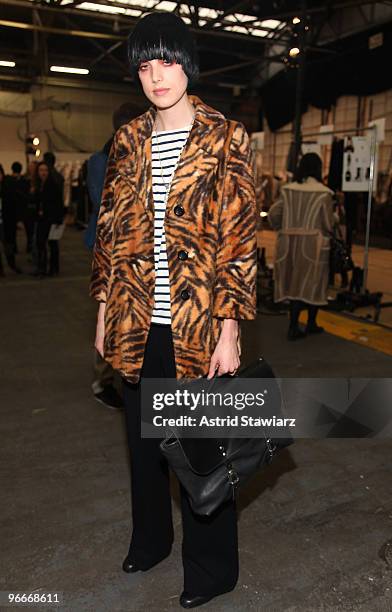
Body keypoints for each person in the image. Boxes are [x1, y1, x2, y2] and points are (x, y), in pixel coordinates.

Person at [90, 12, 257, 609]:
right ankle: (151, 541)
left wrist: (230, 328)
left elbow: (238, 242)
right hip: (138, 323)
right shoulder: (129, 140)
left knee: (201, 452)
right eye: (144, 64)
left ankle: (212, 569)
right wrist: (104, 314)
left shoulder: (226, 137)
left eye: (166, 60)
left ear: (187, 61)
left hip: (198, 326)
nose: (156, 75)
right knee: (143, 445)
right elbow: (109, 233)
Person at [86, 104, 137, 411]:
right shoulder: (99, 161)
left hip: (136, 252)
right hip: (110, 252)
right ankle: (101, 381)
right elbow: (103, 201)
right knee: (109, 317)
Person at [268, 153, 335, 340]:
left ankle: (293, 325)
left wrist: (282, 227)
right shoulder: (325, 193)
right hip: (313, 245)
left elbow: (274, 213)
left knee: (293, 282)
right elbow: (328, 224)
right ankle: (311, 324)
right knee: (313, 282)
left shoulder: (288, 189)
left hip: (288, 243)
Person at [33, 162, 64, 277]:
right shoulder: (38, 185)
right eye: (41, 170)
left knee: (52, 244)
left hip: (51, 219)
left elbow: (59, 203)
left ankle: (53, 268)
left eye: (45, 170)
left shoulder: (53, 185)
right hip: (42, 219)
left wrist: (58, 220)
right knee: (40, 243)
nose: (43, 173)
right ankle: (42, 268)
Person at [2, 161, 29, 273]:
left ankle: (11, 264)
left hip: (8, 219)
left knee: (9, 243)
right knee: (9, 242)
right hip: (11, 218)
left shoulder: (7, 184)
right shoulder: (16, 182)